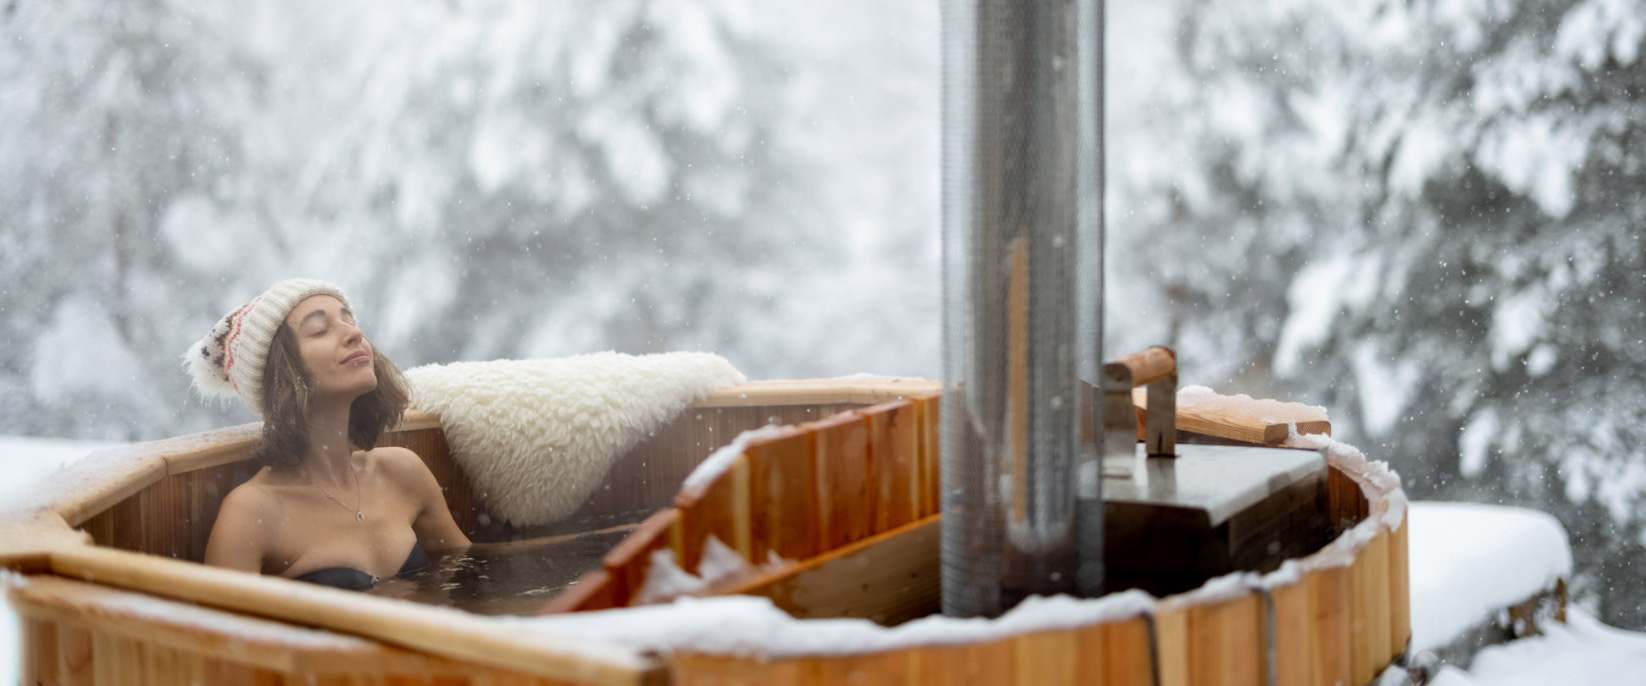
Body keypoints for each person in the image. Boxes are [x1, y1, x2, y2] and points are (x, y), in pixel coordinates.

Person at [188, 279, 470, 590]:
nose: (355, 334)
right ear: (281, 373)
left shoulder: (402, 471)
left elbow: (475, 578)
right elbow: (222, 622)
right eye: (320, 330)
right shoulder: (252, 511)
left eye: (349, 321)